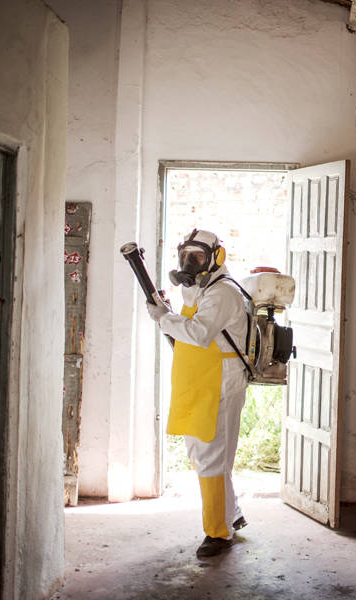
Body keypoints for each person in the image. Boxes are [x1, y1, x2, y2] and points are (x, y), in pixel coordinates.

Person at [146, 229, 249, 558]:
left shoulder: (222, 293)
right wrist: (167, 312)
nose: (190, 263)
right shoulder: (204, 290)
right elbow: (189, 328)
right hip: (203, 380)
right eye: (186, 256)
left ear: (216, 258)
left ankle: (218, 533)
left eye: (199, 257)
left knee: (210, 455)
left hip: (218, 380)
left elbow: (200, 333)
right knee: (208, 454)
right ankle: (231, 515)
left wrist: (165, 318)